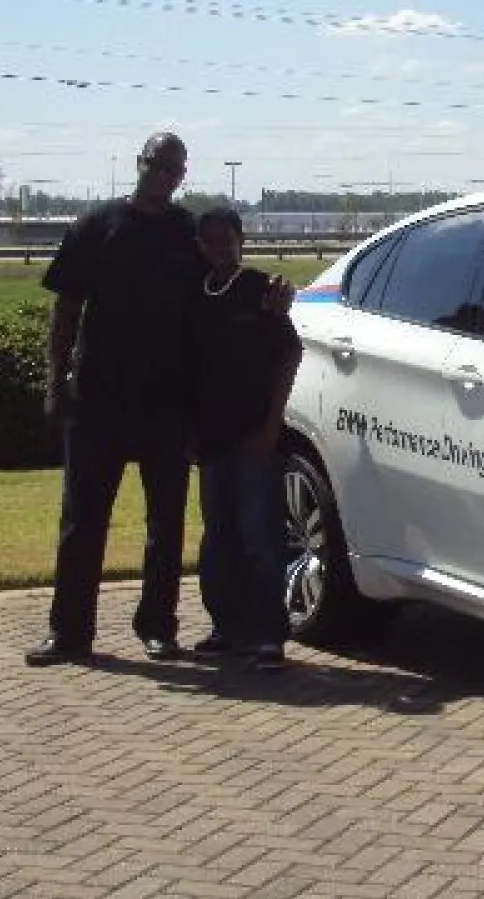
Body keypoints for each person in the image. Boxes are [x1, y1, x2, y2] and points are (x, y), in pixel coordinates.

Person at [26, 132, 290, 667]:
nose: (166, 177)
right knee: (81, 522)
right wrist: (56, 382)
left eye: (176, 170)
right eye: (159, 166)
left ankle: (157, 626)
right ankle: (70, 632)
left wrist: (271, 303)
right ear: (140, 164)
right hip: (98, 399)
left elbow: (223, 285)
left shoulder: (185, 233)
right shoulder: (96, 227)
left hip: (168, 403)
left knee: (166, 523)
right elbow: (65, 310)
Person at [186, 206, 303, 671]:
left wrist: (272, 425)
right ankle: (226, 626)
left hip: (254, 436)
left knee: (261, 537)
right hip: (210, 438)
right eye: (210, 240)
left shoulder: (260, 290)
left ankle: (268, 634)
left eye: (227, 239)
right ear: (200, 246)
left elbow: (288, 357)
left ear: (240, 240)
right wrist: (189, 431)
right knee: (219, 538)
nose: (219, 248)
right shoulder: (196, 296)